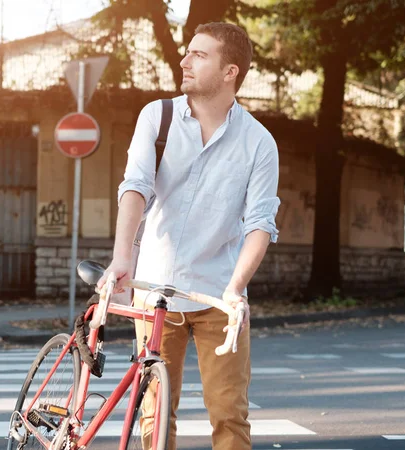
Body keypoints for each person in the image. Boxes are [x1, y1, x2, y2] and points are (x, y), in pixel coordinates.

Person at [97, 22, 280, 450]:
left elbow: (260, 223)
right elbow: (135, 187)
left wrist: (236, 288)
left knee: (230, 417)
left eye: (200, 55)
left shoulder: (258, 143)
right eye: (187, 52)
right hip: (155, 290)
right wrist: (122, 258)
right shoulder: (157, 117)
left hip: (218, 295)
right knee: (155, 414)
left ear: (230, 71)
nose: (185, 60)